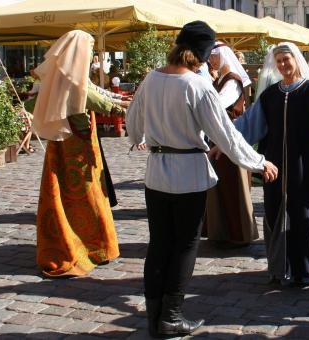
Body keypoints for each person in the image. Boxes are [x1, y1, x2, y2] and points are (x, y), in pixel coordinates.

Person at [126, 21, 278, 337]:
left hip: (156, 173)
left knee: (159, 245)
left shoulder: (151, 79)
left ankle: (155, 317)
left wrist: (143, 136)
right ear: (203, 54)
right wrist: (259, 162)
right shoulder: (198, 86)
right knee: (183, 246)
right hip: (188, 175)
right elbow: (225, 136)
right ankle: (170, 317)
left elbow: (133, 122)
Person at [234, 42, 309, 287]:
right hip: (274, 166)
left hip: (305, 164)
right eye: (278, 60)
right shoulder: (270, 95)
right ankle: (279, 268)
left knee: (304, 214)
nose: (283, 64)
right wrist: (220, 138)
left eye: (286, 59)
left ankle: (307, 268)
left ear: (296, 60)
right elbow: (247, 125)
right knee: (274, 213)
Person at [31, 30, 126, 279]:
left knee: (71, 196)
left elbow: (99, 92)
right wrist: (126, 108)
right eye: (91, 48)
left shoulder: (64, 73)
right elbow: (97, 100)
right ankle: (94, 247)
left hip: (64, 145)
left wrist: (124, 101)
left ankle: (86, 243)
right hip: (77, 148)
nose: (93, 54)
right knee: (87, 197)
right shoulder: (72, 78)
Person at [203, 41, 259, 247]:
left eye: (213, 56)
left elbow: (216, 105)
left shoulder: (232, 81)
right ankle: (221, 231)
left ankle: (237, 232)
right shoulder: (223, 79)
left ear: (222, 56)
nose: (211, 60)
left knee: (231, 185)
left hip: (229, 140)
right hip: (219, 138)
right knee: (220, 185)